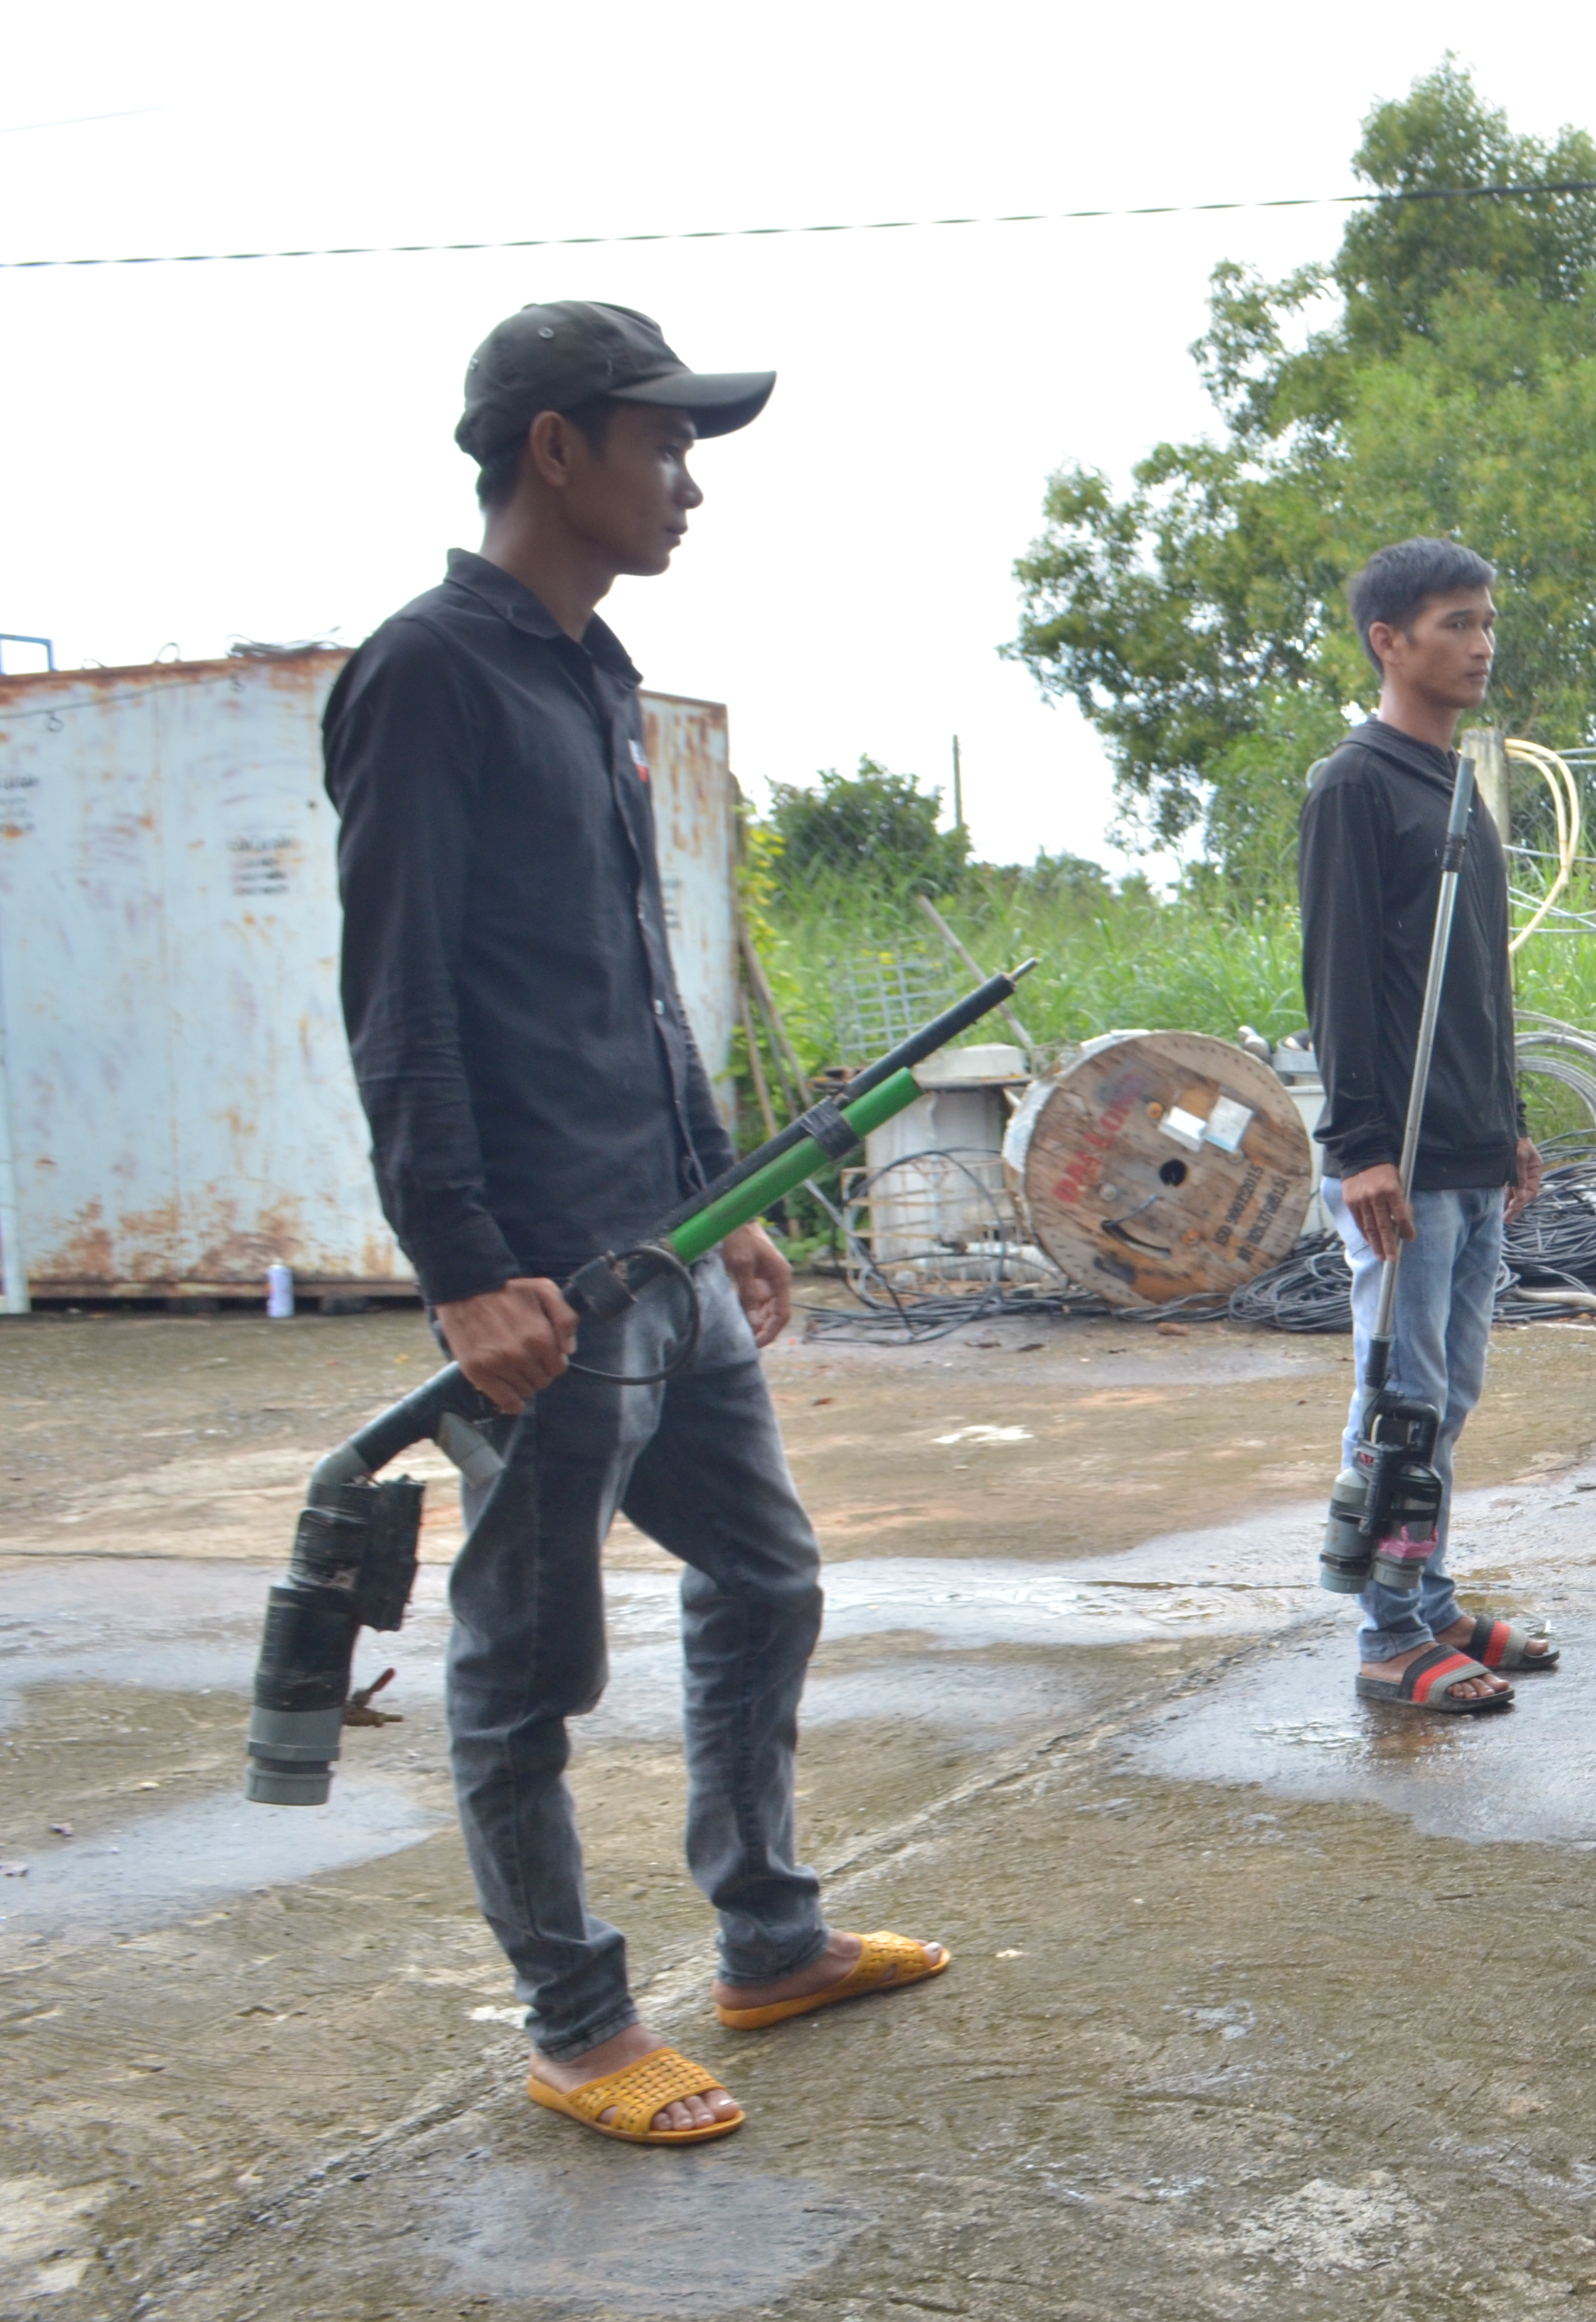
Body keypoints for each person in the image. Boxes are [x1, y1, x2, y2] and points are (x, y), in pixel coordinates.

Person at [324, 303, 945, 2148]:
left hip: (660, 1251)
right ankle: (578, 2018)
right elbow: (402, 994)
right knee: (529, 1667)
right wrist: (458, 1272)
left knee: (768, 1576)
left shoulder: (590, 675)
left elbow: (640, 987)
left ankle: (768, 1937)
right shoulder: (429, 673)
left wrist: (724, 1199)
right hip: (545, 1281)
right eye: (663, 446)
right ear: (552, 449)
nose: (687, 486)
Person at [1298, 537, 1550, 1714]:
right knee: (1399, 1400)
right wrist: (1357, 1149)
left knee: (1446, 1395)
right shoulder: (1354, 785)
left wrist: (1507, 1123)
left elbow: (1475, 983)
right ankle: (1388, 1638)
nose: (1482, 643)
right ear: (1387, 641)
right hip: (1395, 1154)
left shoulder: (1453, 782)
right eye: (1456, 622)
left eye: (1487, 620)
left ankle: (1430, 1598)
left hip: (1464, 1144)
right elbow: (1342, 979)